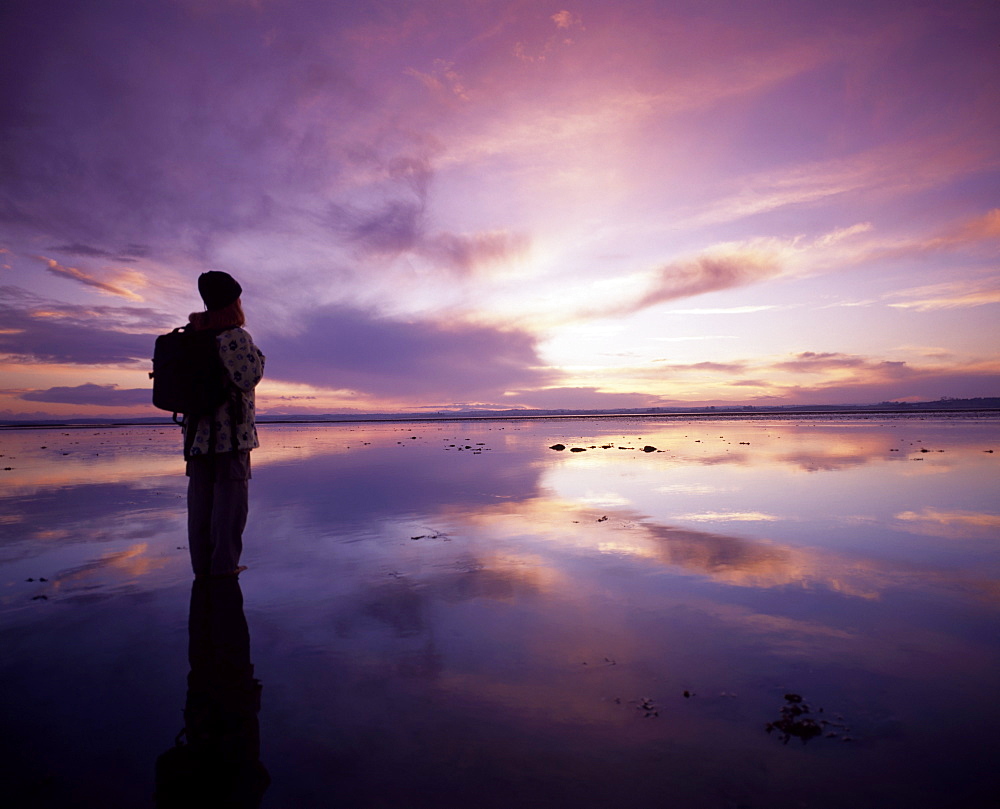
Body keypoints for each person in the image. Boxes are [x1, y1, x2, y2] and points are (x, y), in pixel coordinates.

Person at [184, 271, 265, 578]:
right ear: (233, 303)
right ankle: (225, 569)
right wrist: (258, 356)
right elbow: (247, 377)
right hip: (231, 436)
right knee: (230, 509)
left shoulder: (192, 335)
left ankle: (202, 570)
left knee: (200, 507)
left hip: (197, 437)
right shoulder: (234, 337)